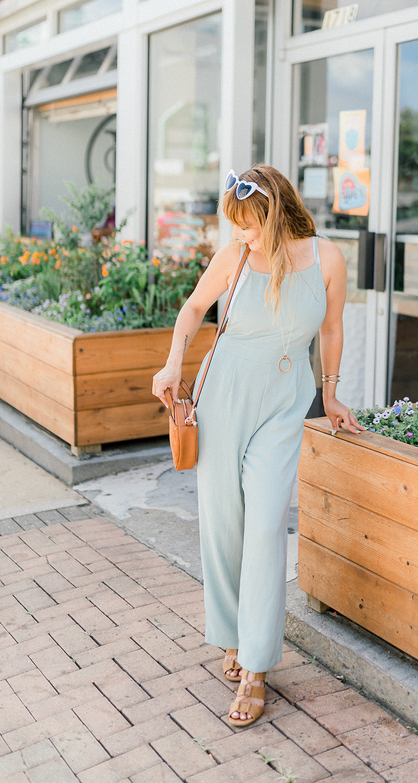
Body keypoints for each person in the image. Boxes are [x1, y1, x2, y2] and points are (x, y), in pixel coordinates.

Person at [152, 164, 365, 728]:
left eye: (248, 224)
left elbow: (332, 329)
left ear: (274, 215)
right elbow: (194, 308)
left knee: (267, 524)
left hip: (283, 402)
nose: (240, 234)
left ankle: (256, 665)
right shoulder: (236, 258)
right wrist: (174, 362)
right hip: (223, 397)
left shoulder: (327, 259)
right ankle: (230, 634)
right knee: (223, 524)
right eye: (236, 224)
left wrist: (332, 393)